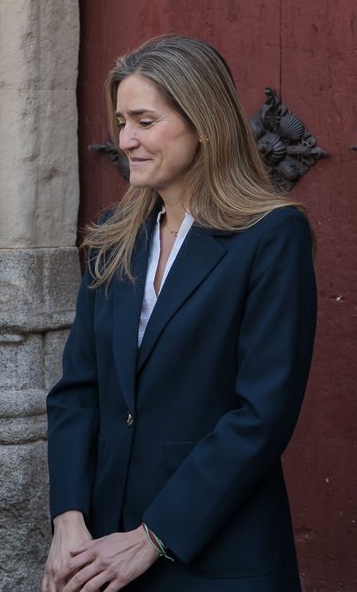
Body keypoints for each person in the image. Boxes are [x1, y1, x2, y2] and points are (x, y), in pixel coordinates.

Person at [44, 35, 316, 591]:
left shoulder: (270, 236)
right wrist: (68, 518)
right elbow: (79, 391)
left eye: (144, 121)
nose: (126, 141)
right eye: (121, 122)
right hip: (100, 551)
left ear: (203, 123)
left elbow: (261, 415)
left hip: (218, 555)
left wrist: (153, 536)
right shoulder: (113, 237)